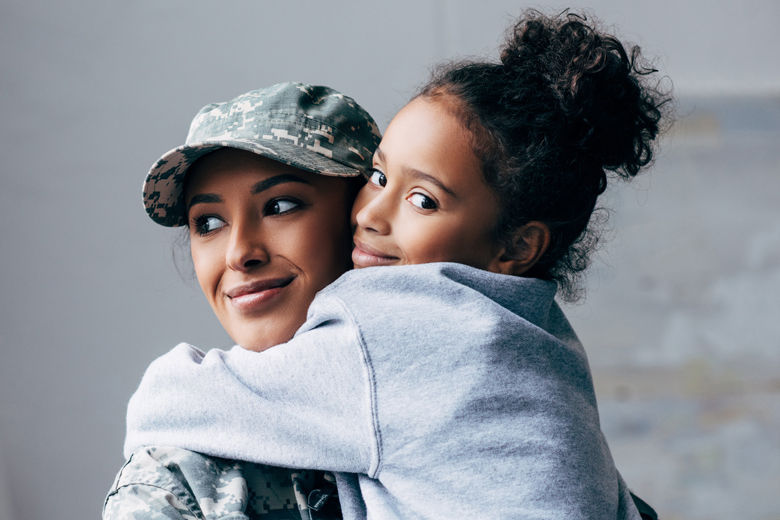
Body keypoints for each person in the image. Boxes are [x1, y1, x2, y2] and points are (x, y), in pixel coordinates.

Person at [119, 10, 669, 520]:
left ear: (519, 248)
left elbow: (169, 399)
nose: (372, 216)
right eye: (380, 179)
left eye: (423, 200)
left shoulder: (386, 334)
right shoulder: (542, 340)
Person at [104, 82, 381, 519]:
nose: (238, 253)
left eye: (280, 206)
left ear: (366, 215)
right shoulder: (178, 479)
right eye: (208, 222)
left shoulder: (474, 390)